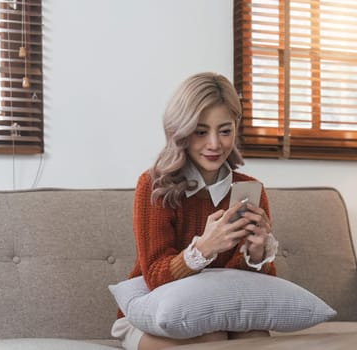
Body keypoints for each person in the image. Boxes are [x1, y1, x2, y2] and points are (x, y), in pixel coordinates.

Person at [112, 72, 279, 350]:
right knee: (209, 340)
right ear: (181, 131)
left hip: (222, 313)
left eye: (225, 131)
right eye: (201, 132)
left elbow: (256, 289)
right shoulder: (154, 186)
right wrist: (203, 248)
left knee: (256, 341)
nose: (215, 144)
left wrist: (257, 254)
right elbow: (154, 276)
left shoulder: (250, 190)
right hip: (153, 311)